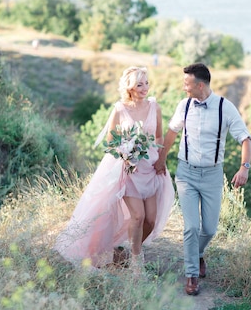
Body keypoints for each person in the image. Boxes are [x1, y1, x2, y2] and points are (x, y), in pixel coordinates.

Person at [55, 66, 174, 272]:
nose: (145, 87)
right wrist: (126, 155)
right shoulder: (120, 109)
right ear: (130, 87)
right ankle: (137, 264)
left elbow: (159, 138)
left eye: (146, 83)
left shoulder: (155, 107)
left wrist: (161, 159)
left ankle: (129, 250)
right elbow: (110, 142)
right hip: (128, 171)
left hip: (150, 168)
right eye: (139, 84)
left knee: (151, 219)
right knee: (138, 216)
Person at [154, 62, 251, 296]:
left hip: (212, 175)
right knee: (191, 227)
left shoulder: (224, 108)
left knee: (209, 229)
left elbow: (246, 139)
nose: (183, 88)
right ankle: (191, 275)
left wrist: (244, 168)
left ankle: (197, 254)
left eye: (186, 84)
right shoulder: (184, 105)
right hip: (186, 172)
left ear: (200, 85)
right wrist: (161, 159)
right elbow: (172, 132)